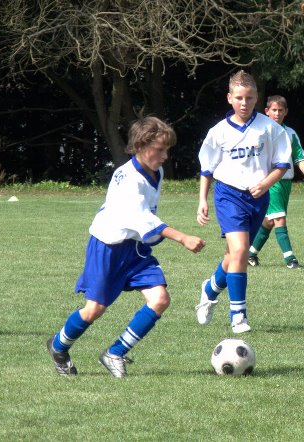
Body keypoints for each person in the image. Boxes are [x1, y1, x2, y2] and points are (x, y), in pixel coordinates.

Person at [48, 116, 205, 378]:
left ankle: (115, 352)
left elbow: (145, 221)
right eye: (160, 149)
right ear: (142, 146)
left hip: (135, 249)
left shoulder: (156, 170)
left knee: (160, 300)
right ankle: (58, 347)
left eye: (167, 149)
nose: (166, 156)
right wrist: (182, 237)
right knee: (94, 310)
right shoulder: (130, 179)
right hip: (108, 247)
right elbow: (144, 219)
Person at [195, 70, 291, 333]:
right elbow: (207, 168)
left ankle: (210, 288)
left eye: (249, 97)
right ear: (229, 98)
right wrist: (202, 199)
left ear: (257, 97)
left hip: (258, 197)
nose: (244, 103)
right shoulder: (218, 132)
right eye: (239, 97)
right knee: (239, 252)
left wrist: (265, 183)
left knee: (232, 255)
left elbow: (282, 164)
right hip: (228, 194)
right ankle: (238, 316)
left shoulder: (270, 129)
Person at [247, 95, 304, 269]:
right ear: (267, 111)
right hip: (270, 182)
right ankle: (290, 259)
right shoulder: (259, 131)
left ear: (286, 112)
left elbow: (299, 158)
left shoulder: (290, 133)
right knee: (279, 219)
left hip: (285, 184)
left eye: (280, 110)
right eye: (273, 110)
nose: (277, 114)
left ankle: (250, 254)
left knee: (269, 221)